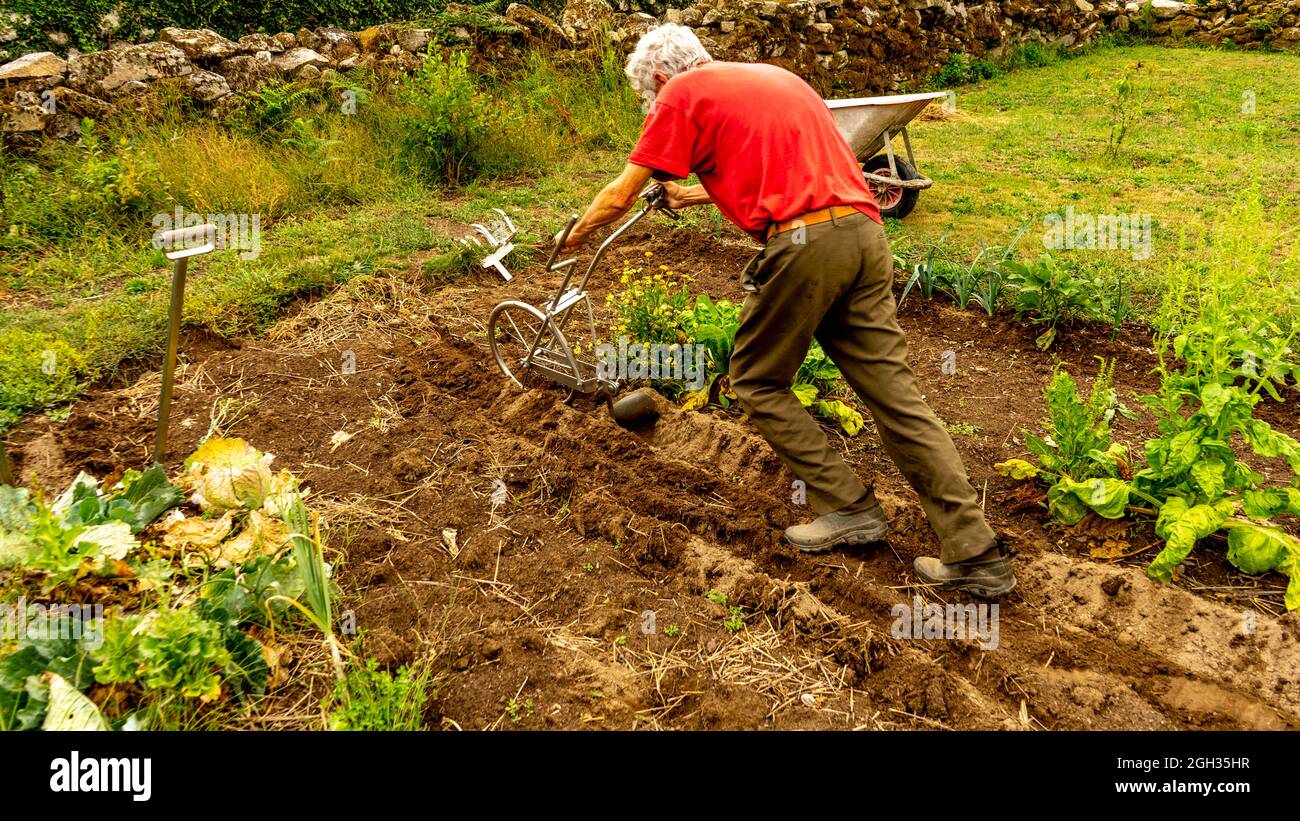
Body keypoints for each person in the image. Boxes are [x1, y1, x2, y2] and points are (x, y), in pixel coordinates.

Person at [559, 24, 1014, 597]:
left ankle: (849, 506)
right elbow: (784, 173)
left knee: (755, 379)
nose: (652, 108)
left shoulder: (680, 93)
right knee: (897, 399)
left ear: (659, 79)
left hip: (806, 246)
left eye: (646, 100)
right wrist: (690, 193)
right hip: (864, 235)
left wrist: (571, 235)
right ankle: (976, 553)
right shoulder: (777, 79)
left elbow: (621, 193)